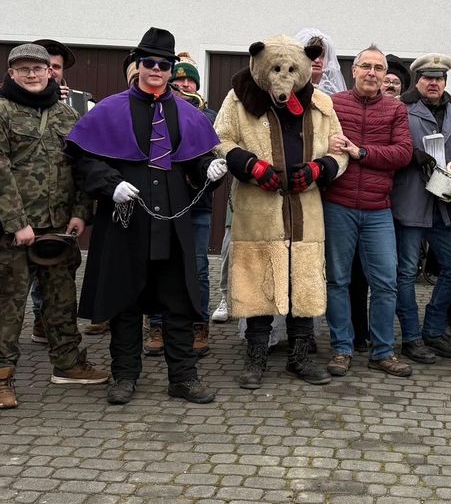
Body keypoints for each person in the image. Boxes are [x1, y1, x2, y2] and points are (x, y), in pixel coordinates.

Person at [66, 28, 223, 406]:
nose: (156, 69)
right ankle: (125, 375)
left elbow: (196, 159)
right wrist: (109, 184)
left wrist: (209, 169)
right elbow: (83, 158)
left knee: (177, 298)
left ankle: (183, 376)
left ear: (171, 70)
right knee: (124, 298)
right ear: (137, 66)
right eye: (149, 62)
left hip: (172, 218)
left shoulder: (187, 111)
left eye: (164, 64)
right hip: (125, 215)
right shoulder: (109, 108)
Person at [0, 43, 108, 410]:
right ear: (11, 73)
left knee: (61, 300)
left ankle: (68, 363)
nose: (32, 74)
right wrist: (17, 223)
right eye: (23, 69)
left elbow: (82, 167)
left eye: (38, 68)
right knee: (8, 304)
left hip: (59, 230)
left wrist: (81, 212)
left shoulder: (68, 115)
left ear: (50, 71)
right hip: (15, 232)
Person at [215, 36, 347, 389]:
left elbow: (341, 149)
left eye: (291, 69)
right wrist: (250, 165)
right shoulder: (239, 99)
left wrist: (320, 169)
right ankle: (255, 357)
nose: (283, 76)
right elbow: (220, 139)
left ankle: (300, 357)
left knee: (303, 282)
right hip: (259, 209)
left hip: (305, 209)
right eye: (276, 69)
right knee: (258, 280)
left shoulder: (321, 103)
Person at [323, 46, 415, 378]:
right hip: (338, 204)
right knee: (337, 280)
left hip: (378, 209)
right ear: (354, 70)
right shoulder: (333, 105)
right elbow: (318, 144)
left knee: (386, 282)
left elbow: (403, 153)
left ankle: (382, 351)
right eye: (366, 66)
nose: (372, 73)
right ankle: (341, 349)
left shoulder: (395, 110)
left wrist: (360, 151)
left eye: (378, 67)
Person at [391, 53, 451, 362]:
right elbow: (393, 143)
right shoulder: (402, 106)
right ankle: (411, 338)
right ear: (418, 80)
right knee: (406, 272)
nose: (434, 83)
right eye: (428, 78)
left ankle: (434, 330)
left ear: (445, 82)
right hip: (410, 199)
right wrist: (411, 154)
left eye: (439, 79)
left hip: (444, 201)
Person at [144, 58, 220, 357]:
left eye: (191, 81)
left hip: (197, 203)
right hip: (161, 202)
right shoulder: (156, 111)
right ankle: (158, 323)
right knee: (160, 262)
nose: (185, 84)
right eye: (180, 80)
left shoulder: (210, 114)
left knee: (198, 267)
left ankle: (198, 323)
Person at [25, 38, 99, 343]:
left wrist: (83, 210)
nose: (50, 72)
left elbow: (89, 160)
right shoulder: (6, 99)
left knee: (59, 273)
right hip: (22, 212)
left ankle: (52, 325)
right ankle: (37, 317)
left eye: (56, 67)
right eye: (45, 66)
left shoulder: (81, 104)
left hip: (62, 209)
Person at [295, 27, 346, 95]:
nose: (317, 60)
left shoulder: (332, 91)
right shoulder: (294, 88)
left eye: (322, 56)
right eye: (312, 55)